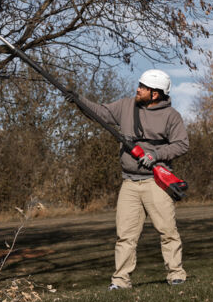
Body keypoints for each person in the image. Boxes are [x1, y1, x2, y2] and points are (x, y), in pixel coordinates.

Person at [80, 69, 189, 290]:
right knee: (125, 236)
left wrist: (156, 155)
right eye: (140, 85)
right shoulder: (126, 106)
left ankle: (176, 274)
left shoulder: (171, 116)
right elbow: (100, 113)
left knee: (167, 232)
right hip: (129, 183)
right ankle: (120, 281)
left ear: (155, 94)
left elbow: (181, 144)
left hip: (156, 183)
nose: (138, 89)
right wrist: (77, 99)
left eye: (143, 87)